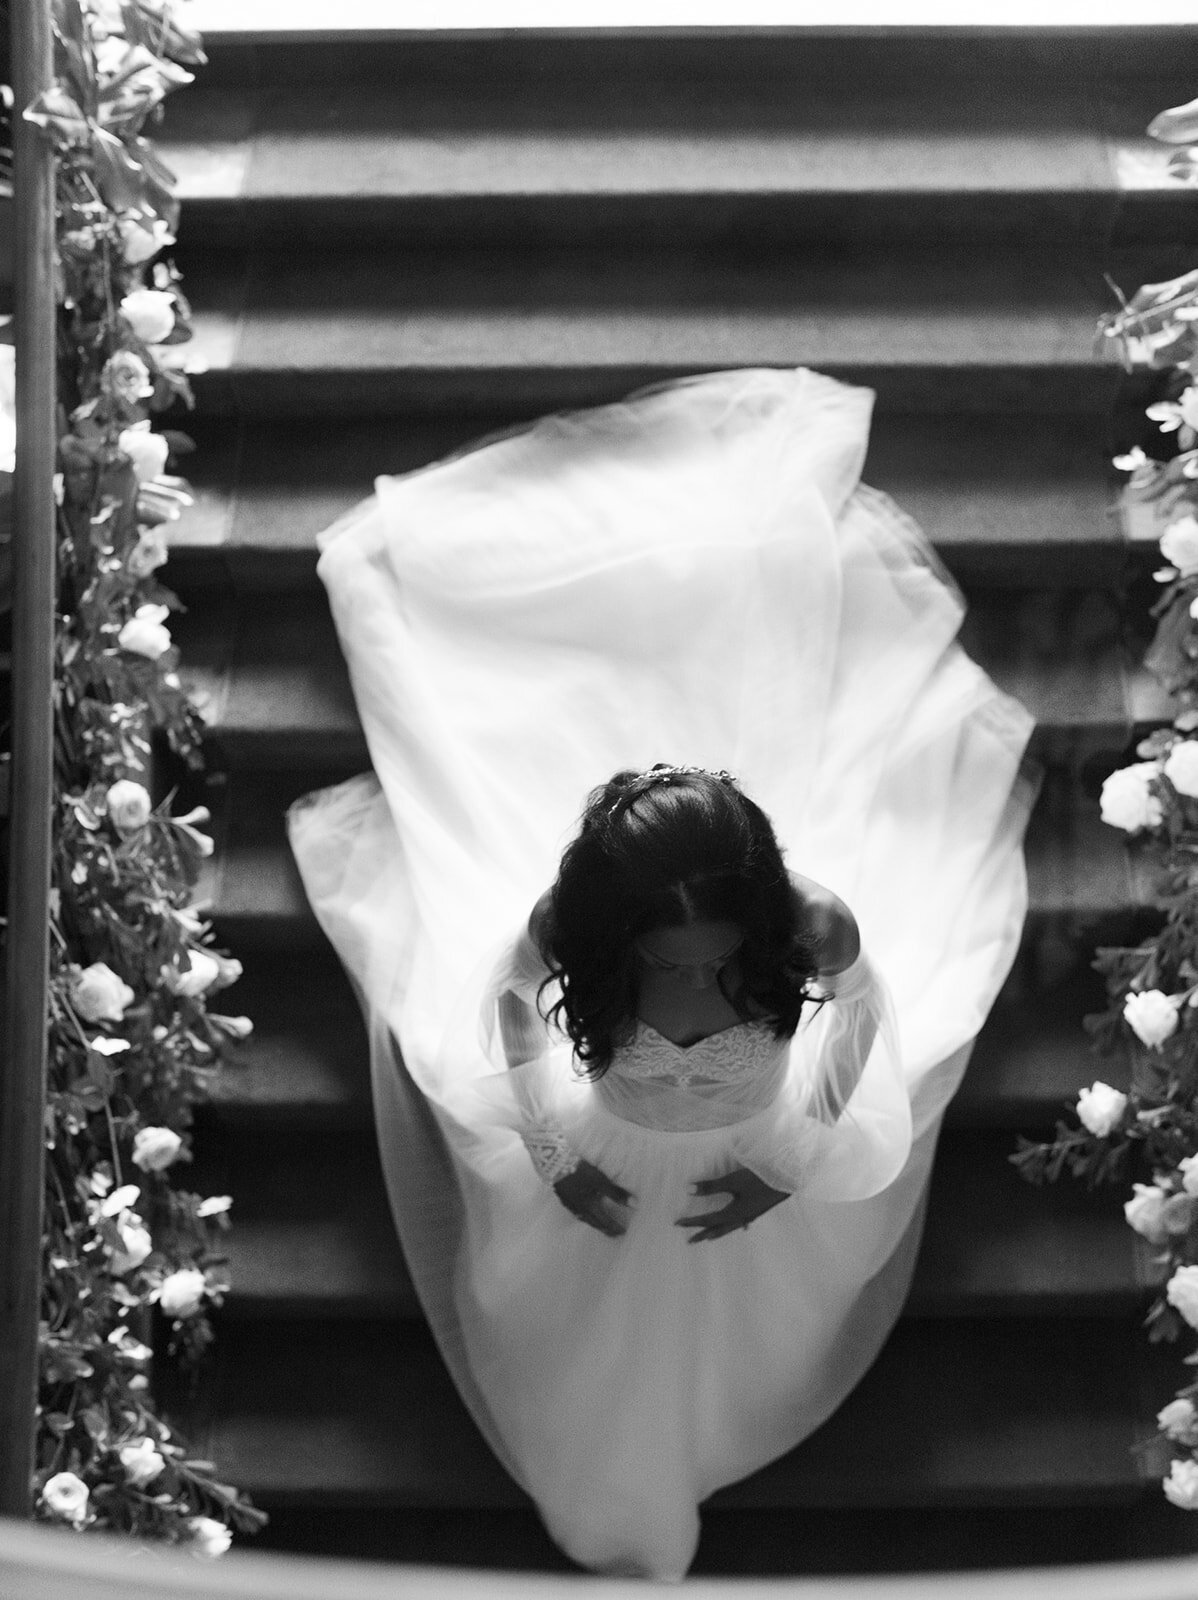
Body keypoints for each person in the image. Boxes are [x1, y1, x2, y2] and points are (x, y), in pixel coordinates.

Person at [288, 366, 1036, 1579]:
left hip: (757, 1148)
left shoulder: (817, 922)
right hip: (605, 1149)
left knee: (734, 1330)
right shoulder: (561, 925)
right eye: (661, 956)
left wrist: (784, 1168)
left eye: (713, 953)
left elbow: (858, 1026)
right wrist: (552, 1158)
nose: (688, 975)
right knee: (588, 1352)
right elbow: (508, 1012)